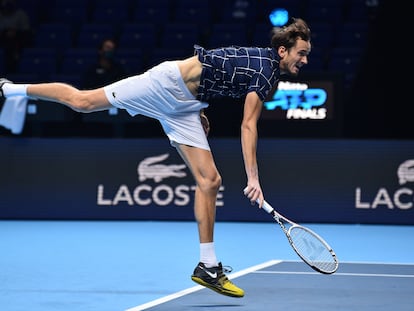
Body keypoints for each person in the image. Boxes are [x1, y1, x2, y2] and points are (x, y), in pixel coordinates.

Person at [0, 17, 311, 298]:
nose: (305, 59)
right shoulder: (266, 71)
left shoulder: (264, 64)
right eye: (301, 53)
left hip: (187, 106)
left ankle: (208, 265)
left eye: (306, 54)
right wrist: (253, 178)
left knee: (210, 180)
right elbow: (247, 125)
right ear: (282, 51)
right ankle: (10, 89)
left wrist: (200, 108)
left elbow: (218, 69)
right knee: (83, 101)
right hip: (164, 85)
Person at [0, 0, 32, 73]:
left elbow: (26, 30)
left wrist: (15, 32)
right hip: (3, 38)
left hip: (19, 38)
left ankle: (15, 62)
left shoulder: (20, 14)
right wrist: (5, 32)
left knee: (15, 41)